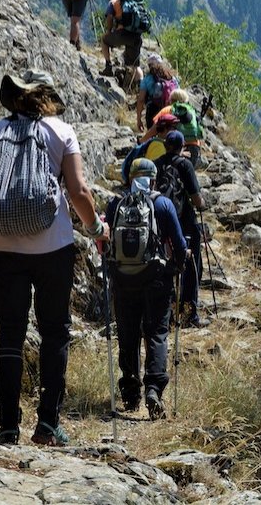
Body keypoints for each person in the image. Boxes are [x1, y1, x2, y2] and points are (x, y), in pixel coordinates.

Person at [0, 69, 108, 446]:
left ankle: (7, 425)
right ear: (46, 98)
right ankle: (47, 425)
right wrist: (96, 231)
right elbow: (78, 191)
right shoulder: (61, 132)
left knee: (10, 332)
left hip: (1, 246)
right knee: (54, 331)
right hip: (52, 247)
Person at [104, 157, 188, 419]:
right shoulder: (162, 203)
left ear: (130, 178)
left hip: (123, 279)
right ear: (153, 179)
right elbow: (178, 244)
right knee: (157, 332)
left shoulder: (116, 203)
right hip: (156, 279)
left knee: (128, 334)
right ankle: (153, 388)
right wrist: (180, 261)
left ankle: (130, 391)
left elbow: (105, 242)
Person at [155, 131, 208, 327]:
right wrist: (202, 204)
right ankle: (189, 314)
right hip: (182, 221)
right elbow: (196, 199)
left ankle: (164, 312)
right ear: (183, 146)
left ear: (165, 144)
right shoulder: (185, 165)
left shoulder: (156, 163)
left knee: (162, 264)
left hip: (159, 221)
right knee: (192, 264)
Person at [141, 88, 206, 170]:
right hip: (193, 148)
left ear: (171, 99)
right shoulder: (192, 111)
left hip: (173, 148)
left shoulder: (168, 109)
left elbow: (155, 129)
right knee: (186, 177)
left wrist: (142, 141)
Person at [120, 111, 180, 184]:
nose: (176, 130)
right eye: (174, 127)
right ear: (165, 129)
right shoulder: (158, 146)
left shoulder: (156, 142)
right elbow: (155, 171)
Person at [100, 0, 143, 80]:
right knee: (135, 66)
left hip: (123, 34)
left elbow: (109, 17)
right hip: (136, 35)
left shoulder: (112, 2)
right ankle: (140, 88)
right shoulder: (131, 2)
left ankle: (108, 66)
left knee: (104, 39)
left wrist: (108, 31)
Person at [136, 54, 178, 131]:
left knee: (153, 135)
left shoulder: (147, 79)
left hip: (153, 111)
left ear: (149, 65)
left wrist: (139, 119)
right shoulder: (172, 78)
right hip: (170, 110)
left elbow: (141, 100)